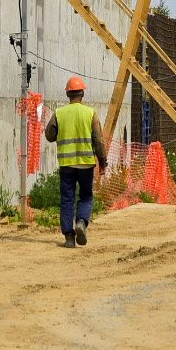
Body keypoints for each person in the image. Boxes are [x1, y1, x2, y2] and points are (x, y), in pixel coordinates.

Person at [43, 75, 108, 248]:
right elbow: (99, 141)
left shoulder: (59, 113)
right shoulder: (90, 114)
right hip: (86, 163)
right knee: (86, 196)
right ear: (82, 94)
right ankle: (81, 222)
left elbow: (49, 135)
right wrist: (103, 162)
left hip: (67, 164)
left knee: (67, 199)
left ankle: (69, 238)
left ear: (68, 95)